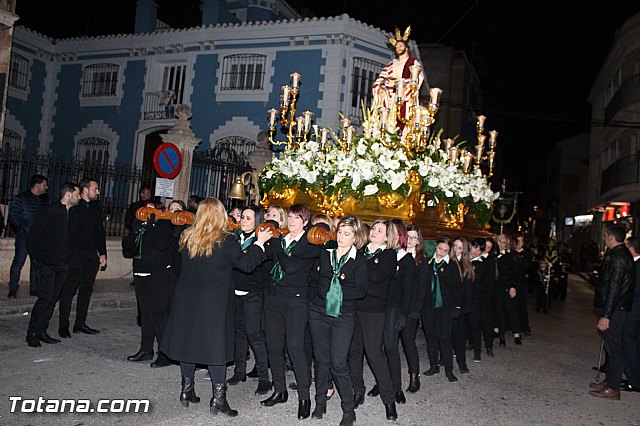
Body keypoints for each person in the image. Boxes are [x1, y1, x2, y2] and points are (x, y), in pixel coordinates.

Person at [160, 197, 271, 416]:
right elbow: (246, 265)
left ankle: (187, 390)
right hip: (213, 304)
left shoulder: (187, 236)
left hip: (187, 300)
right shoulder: (225, 240)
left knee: (188, 343)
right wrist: (259, 243)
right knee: (216, 349)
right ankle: (218, 399)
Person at [261, 204, 321, 420]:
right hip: (274, 299)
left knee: (295, 349)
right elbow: (263, 260)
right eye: (291, 217)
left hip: (296, 302)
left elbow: (290, 266)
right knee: (274, 347)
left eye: (297, 218)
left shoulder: (310, 243)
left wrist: (276, 243)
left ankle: (305, 398)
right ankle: (280, 390)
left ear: (305, 222)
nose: (292, 221)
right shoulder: (281, 239)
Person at [309, 215, 368, 426]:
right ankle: (320, 402)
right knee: (321, 360)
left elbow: (362, 290)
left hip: (343, 315)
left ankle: (348, 409)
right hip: (318, 311)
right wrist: (322, 293)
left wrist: (339, 292)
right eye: (340, 232)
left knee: (338, 363)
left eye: (347, 234)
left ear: (355, 237)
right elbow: (315, 279)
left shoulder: (359, 259)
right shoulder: (326, 252)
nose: (341, 237)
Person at [349, 218, 398, 421]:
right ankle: (358, 390)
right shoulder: (361, 252)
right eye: (374, 229)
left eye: (380, 230)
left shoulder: (388, 255)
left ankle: (389, 400)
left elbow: (376, 277)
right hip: (354, 307)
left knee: (374, 355)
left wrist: (360, 261)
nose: (375, 232)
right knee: (353, 352)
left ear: (387, 236)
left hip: (374, 311)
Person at [125, 200, 179, 368]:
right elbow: (127, 248)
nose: (145, 213)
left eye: (150, 210)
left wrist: (151, 225)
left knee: (157, 313)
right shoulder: (138, 225)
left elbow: (162, 245)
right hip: (141, 274)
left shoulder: (165, 225)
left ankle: (165, 354)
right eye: (144, 209)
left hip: (160, 275)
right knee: (146, 314)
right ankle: (146, 349)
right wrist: (135, 231)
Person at [25, 183, 79, 347]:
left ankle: (42, 330)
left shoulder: (72, 214)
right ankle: (32, 333)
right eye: (76, 194)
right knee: (46, 297)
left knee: (53, 298)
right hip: (46, 263)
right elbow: (33, 238)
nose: (78, 197)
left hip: (63, 263)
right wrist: (40, 260)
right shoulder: (49, 212)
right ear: (68, 195)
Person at [227, 206, 272, 396]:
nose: (243, 221)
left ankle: (264, 379)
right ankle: (239, 371)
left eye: (247, 218)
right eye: (241, 217)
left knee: (255, 336)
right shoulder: (235, 238)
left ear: (257, 221)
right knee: (239, 334)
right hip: (235, 292)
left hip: (253, 294)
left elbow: (252, 267)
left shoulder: (263, 242)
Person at [589, 224, 634, 400]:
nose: (604, 238)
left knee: (614, 348)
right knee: (610, 346)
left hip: (615, 311)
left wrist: (606, 315)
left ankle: (614, 387)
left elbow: (615, 288)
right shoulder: (618, 254)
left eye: (606, 236)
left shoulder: (619, 257)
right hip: (616, 309)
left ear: (611, 237)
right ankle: (610, 380)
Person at [58, 178, 107, 337]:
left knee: (86, 289)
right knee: (69, 290)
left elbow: (99, 231)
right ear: (85, 190)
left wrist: (103, 252)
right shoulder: (74, 208)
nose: (98, 192)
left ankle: (80, 323)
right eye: (95, 189)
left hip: (91, 255)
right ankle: (63, 325)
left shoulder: (95, 207)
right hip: (75, 255)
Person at [379, 219, 415, 403]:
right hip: (379, 305)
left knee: (391, 346)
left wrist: (404, 315)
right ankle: (382, 382)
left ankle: (396, 387)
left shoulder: (406, 259)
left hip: (394, 306)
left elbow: (409, 291)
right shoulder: (383, 254)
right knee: (378, 348)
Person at [419, 237, 463, 383]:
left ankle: (449, 370)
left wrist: (457, 306)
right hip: (428, 306)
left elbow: (457, 288)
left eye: (445, 251)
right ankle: (434, 365)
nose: (441, 252)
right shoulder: (427, 263)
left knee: (444, 337)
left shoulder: (451, 266)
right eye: (440, 248)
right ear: (436, 246)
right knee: (430, 336)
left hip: (445, 307)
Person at [372, 26, 424, 129]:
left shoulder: (413, 63)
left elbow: (417, 80)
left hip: (405, 97)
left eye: (400, 46)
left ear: (406, 48)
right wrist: (384, 86)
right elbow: (380, 80)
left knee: (403, 124)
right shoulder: (391, 65)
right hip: (390, 98)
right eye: (396, 47)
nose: (398, 48)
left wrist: (399, 82)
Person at [7, 174, 49, 298]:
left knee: (35, 264)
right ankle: (13, 288)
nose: (46, 187)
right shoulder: (21, 198)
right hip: (23, 237)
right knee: (18, 262)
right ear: (37, 185)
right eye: (44, 185)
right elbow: (13, 217)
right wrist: (23, 228)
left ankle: (34, 288)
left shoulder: (44, 200)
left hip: (38, 238)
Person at [401, 224, 425, 392]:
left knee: (408, 342)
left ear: (418, 241)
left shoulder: (421, 261)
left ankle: (414, 377)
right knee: (388, 344)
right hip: (395, 306)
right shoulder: (397, 254)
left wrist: (415, 312)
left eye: (414, 237)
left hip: (411, 310)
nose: (410, 240)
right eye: (408, 236)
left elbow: (422, 289)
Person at [469, 238, 494, 362]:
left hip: (476, 299)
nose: (476, 251)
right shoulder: (463, 260)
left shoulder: (482, 264)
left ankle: (477, 351)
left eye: (479, 249)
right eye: (474, 247)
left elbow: (485, 283)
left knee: (475, 324)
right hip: (464, 298)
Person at [452, 237, 474, 374]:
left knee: (458, 336)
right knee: (444, 334)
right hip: (446, 305)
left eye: (459, 247)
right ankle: (444, 358)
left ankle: (461, 362)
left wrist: (464, 307)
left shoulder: (465, 266)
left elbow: (467, 290)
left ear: (463, 250)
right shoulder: (446, 261)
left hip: (459, 306)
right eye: (454, 246)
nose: (456, 249)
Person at [622, 236, 640, 392]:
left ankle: (634, 380)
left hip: (634, 312)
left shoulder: (636, 267)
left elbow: (635, 290)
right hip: (635, 311)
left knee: (630, 346)